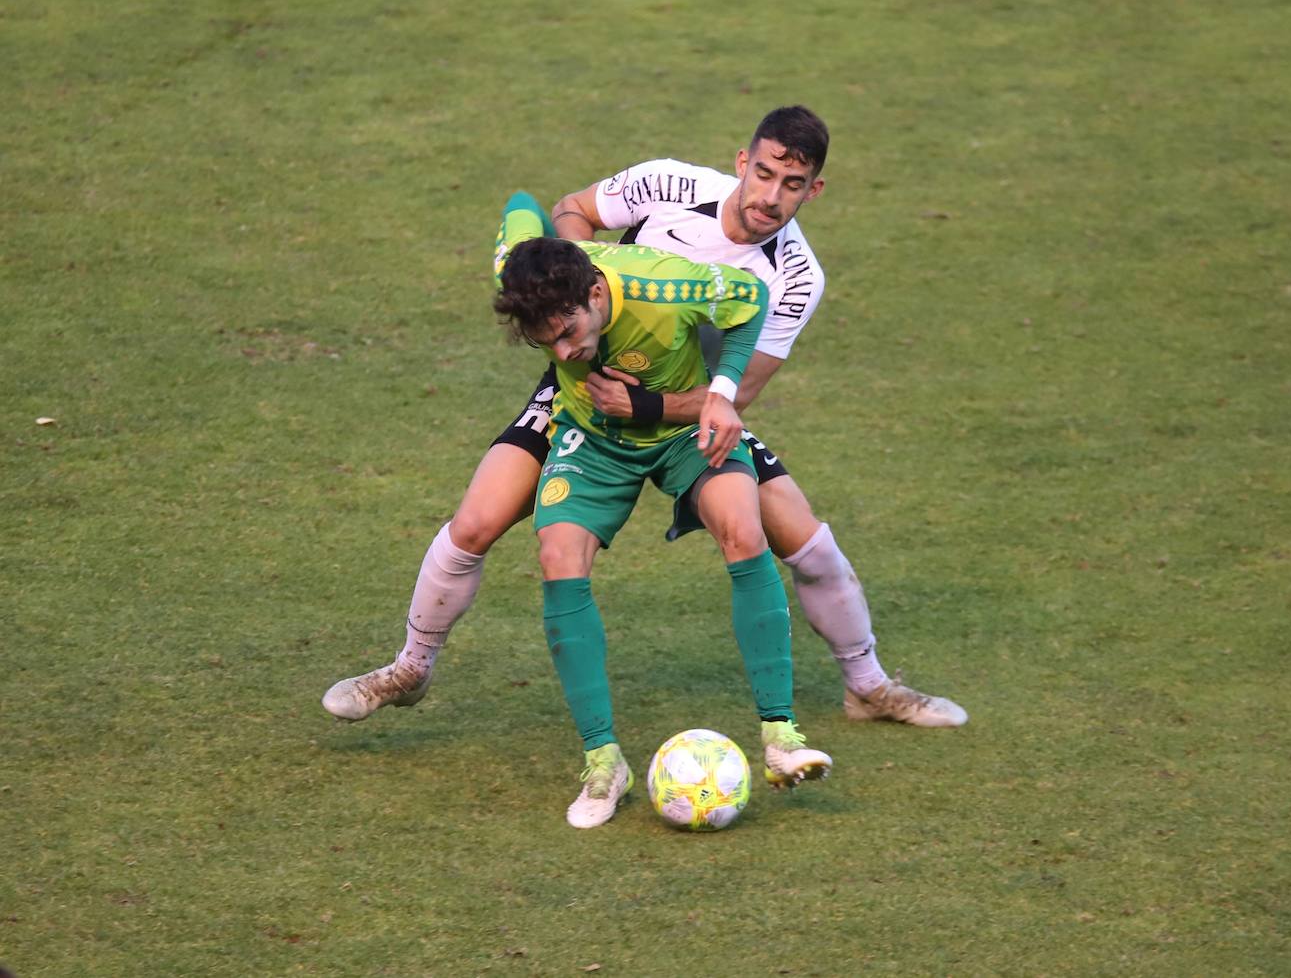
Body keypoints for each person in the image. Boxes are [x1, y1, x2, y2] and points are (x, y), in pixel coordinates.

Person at [323, 106, 967, 730]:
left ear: (814, 190)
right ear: (744, 161)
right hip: (583, 393)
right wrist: (582, 287)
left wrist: (648, 405)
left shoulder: (796, 277)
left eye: (792, 185)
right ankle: (408, 670)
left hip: (686, 414)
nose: (771, 196)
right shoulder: (668, 184)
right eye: (765, 173)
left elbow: (735, 398)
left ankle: (869, 686)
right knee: (476, 521)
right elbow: (571, 210)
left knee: (807, 543)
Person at [493, 194, 831, 827]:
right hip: (592, 441)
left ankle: (781, 736)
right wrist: (520, 231)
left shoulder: (666, 283)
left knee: (743, 526)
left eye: (567, 333)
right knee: (557, 555)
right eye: (546, 344)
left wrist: (720, 395)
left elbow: (750, 303)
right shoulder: (527, 282)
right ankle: (603, 761)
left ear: (596, 295)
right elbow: (520, 205)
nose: (563, 354)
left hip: (681, 435)